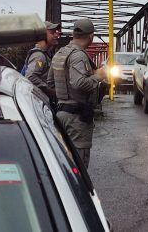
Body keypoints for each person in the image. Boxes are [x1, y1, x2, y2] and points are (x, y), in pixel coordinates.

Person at [47, 18, 107, 168]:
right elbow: (79, 83)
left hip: (62, 114)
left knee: (64, 163)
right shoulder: (78, 55)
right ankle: (78, 192)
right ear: (91, 36)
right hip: (77, 120)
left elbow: (50, 82)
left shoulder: (61, 53)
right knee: (79, 165)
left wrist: (65, 95)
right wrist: (99, 76)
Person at [24, 21, 61, 98]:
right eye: (52, 32)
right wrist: (51, 90)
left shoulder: (46, 54)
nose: (56, 35)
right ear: (42, 36)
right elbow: (30, 77)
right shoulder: (39, 56)